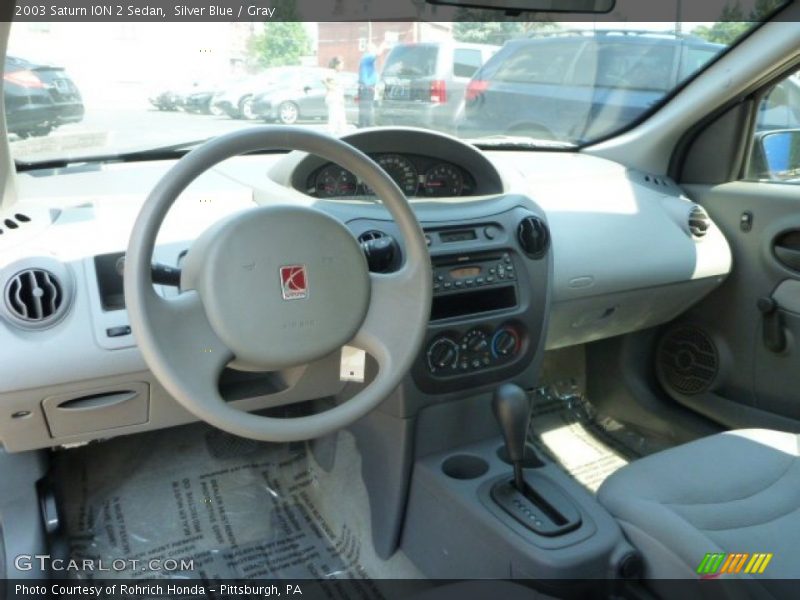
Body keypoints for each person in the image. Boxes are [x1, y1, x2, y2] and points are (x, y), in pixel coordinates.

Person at [358, 41, 387, 128]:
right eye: (374, 48)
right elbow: (378, 54)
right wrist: (383, 46)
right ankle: (365, 128)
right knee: (367, 110)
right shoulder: (367, 57)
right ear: (370, 50)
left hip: (368, 89)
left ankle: (365, 126)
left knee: (367, 109)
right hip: (366, 89)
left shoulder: (367, 59)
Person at [323, 56, 347, 136]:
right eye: (341, 64)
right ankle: (331, 135)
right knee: (334, 119)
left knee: (341, 119)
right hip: (333, 98)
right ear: (336, 65)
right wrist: (330, 87)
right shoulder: (331, 72)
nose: (342, 66)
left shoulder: (337, 74)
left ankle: (341, 134)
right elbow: (323, 79)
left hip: (338, 98)